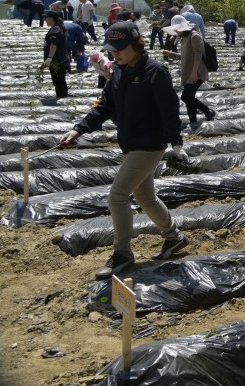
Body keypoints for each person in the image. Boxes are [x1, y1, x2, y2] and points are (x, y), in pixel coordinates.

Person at [60, 21, 189, 281]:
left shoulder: (155, 72)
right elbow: (104, 106)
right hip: (130, 144)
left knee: (117, 196)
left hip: (149, 145)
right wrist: (79, 129)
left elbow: (169, 110)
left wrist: (176, 143)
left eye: (120, 48)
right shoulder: (119, 72)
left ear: (136, 45)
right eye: (112, 49)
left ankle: (122, 254)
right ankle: (174, 238)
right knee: (145, 198)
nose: (115, 53)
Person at [162, 14, 215, 127]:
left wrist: (194, 73)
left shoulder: (194, 36)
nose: (176, 31)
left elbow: (198, 55)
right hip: (189, 72)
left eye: (177, 28)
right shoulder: (184, 38)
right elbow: (185, 56)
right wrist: (170, 54)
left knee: (186, 97)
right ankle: (193, 121)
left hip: (197, 71)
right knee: (189, 97)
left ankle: (208, 111)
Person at [42, 11, 70, 99]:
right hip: (60, 60)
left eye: (46, 18)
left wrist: (49, 58)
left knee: (59, 82)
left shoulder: (55, 29)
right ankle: (62, 99)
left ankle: (62, 100)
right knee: (59, 82)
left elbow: (53, 44)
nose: (45, 20)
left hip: (57, 61)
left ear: (51, 18)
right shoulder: (58, 28)